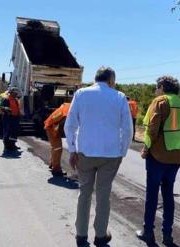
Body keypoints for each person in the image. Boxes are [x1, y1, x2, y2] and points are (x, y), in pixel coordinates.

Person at [64, 66, 133, 247]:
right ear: (111, 79)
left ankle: (81, 235)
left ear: (95, 78)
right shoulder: (119, 97)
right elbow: (127, 129)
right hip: (110, 155)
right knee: (104, 195)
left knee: (84, 193)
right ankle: (101, 236)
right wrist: (123, 151)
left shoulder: (81, 94)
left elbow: (70, 125)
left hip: (85, 153)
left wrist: (72, 149)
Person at [136, 76, 180, 246]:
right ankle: (167, 235)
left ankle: (148, 232)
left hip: (158, 155)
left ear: (162, 87)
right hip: (177, 156)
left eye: (156, 87)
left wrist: (146, 148)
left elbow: (152, 128)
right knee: (168, 194)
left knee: (152, 194)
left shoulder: (160, 101)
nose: (155, 90)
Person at [44, 101, 70, 176]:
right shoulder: (68, 111)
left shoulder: (69, 107)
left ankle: (53, 164)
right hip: (51, 128)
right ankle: (56, 169)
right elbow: (64, 125)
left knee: (55, 148)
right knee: (58, 148)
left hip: (52, 126)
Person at [1, 87, 21, 155]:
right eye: (15, 93)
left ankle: (13, 145)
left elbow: (17, 108)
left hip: (15, 118)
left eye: (16, 93)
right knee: (7, 132)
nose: (16, 94)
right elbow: (2, 107)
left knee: (14, 132)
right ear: (11, 93)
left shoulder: (15, 100)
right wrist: (6, 108)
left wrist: (19, 115)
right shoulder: (6, 99)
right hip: (8, 118)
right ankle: (7, 146)